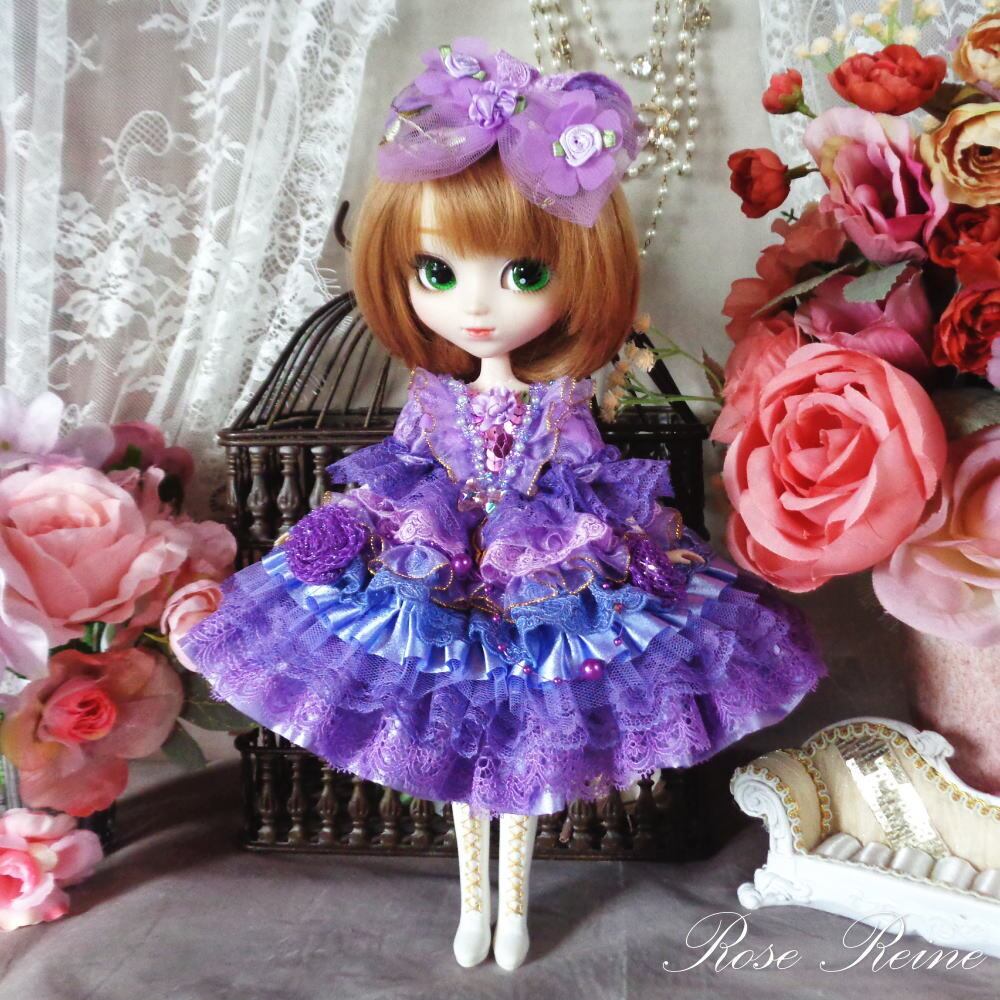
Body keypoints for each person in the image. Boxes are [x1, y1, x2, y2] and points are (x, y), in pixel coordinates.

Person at [178, 38, 826, 972]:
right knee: (452, 749)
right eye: (437, 273)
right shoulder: (431, 397)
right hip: (435, 576)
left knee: (528, 750)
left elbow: (590, 478)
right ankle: (473, 904)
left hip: (546, 577)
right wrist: (352, 526)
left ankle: (512, 905)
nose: (477, 307)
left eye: (523, 274)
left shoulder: (563, 402)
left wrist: (637, 549)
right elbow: (402, 471)